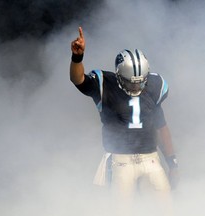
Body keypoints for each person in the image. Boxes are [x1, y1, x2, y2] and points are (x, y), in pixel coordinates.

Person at [70, 27, 178, 199]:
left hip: (150, 159)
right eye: (131, 82)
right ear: (119, 75)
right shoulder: (105, 84)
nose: (136, 86)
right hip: (120, 162)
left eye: (139, 82)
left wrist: (172, 162)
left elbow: (161, 127)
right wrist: (77, 58)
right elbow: (78, 80)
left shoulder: (154, 87)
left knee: (165, 208)